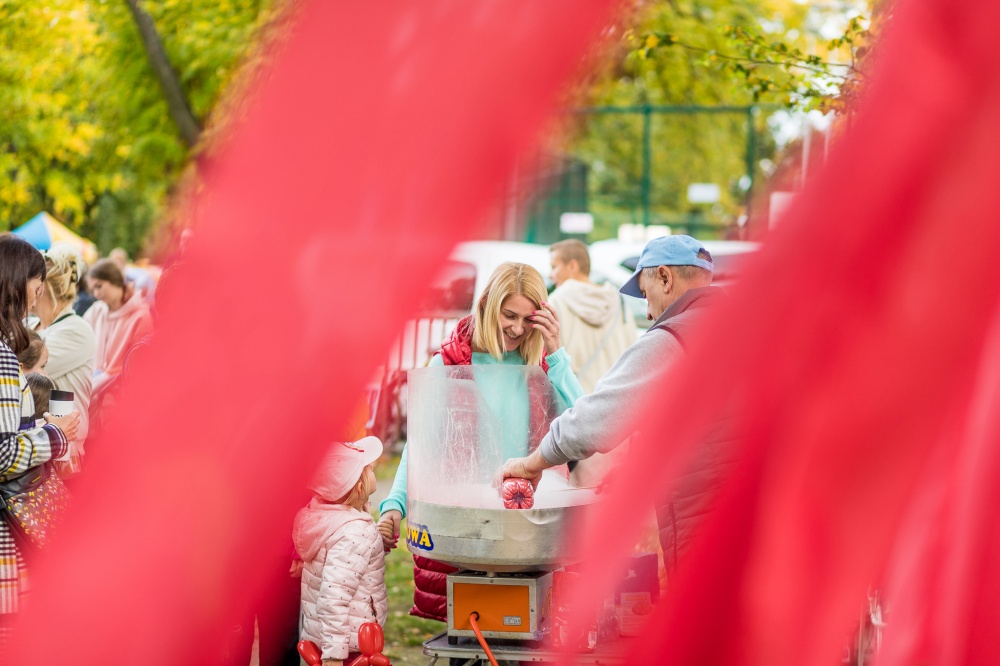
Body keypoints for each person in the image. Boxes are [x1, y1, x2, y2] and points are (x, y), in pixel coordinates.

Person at [498, 235, 736, 570]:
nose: (648, 309)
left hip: (706, 523)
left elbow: (594, 421)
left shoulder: (673, 338)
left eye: (645, 291)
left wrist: (532, 463)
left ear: (665, 278)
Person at [377, 262, 585, 622]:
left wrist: (557, 354)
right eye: (509, 315)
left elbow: (585, 423)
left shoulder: (542, 365)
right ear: (487, 303)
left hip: (526, 525)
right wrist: (394, 503)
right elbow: (421, 445)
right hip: (467, 527)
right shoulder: (447, 363)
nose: (518, 328)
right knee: (471, 636)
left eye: (528, 319)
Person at [0, 234, 80, 646]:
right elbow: (2, 453)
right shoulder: (2, 357)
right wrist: (55, 435)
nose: (37, 296)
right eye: (35, 284)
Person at [548, 239, 637, 486]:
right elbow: (633, 354)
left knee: (575, 510)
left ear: (573, 265)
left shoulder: (556, 302)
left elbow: (551, 363)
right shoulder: (619, 302)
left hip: (578, 417)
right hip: (617, 418)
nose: (550, 273)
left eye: (555, 266)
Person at [294, 437, 387, 666]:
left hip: (323, 636)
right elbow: (333, 597)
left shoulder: (326, 519)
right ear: (359, 485)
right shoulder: (354, 532)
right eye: (370, 470)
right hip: (348, 647)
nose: (374, 472)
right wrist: (334, 657)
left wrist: (377, 541)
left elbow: (350, 569)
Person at [32, 245, 96, 473]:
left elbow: (26, 370)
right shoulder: (30, 324)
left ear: (44, 287)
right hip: (37, 448)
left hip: (63, 455)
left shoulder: (76, 329)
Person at [84, 258, 154, 391]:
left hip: (119, 393)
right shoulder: (96, 310)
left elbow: (140, 363)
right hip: (92, 387)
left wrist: (106, 378)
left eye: (99, 286)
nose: (96, 293)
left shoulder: (141, 316)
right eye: (92, 290)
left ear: (115, 280)